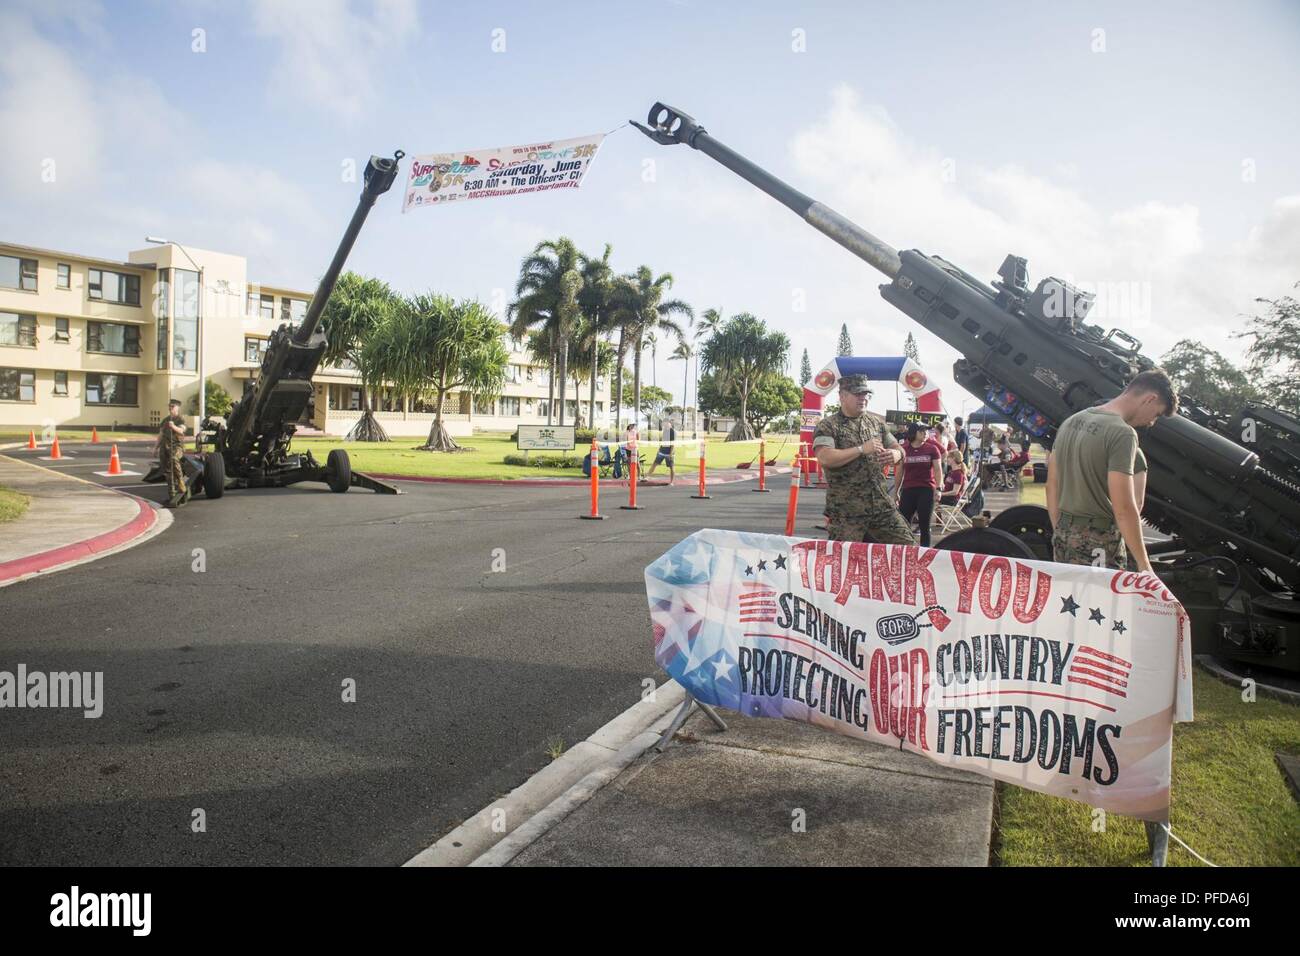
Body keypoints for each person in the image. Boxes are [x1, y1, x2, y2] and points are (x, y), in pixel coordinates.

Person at [1046, 369, 1177, 571]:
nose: (1152, 422)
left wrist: (1059, 531)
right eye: (1157, 414)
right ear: (1150, 399)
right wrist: (1144, 565)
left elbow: (1051, 486)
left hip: (1063, 534)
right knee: (1103, 601)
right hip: (1100, 540)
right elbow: (1124, 507)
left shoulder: (1071, 422)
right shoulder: (1123, 434)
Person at [811, 375, 910, 544]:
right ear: (842, 396)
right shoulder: (828, 425)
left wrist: (897, 455)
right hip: (847, 512)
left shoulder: (876, 423)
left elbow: (897, 447)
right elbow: (825, 457)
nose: (863, 398)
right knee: (844, 561)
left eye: (865, 394)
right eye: (857, 394)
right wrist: (860, 449)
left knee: (909, 550)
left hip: (881, 506)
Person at [892, 422, 944, 547]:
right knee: (904, 523)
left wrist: (938, 488)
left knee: (924, 525)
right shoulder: (903, 450)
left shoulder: (932, 449)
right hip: (909, 490)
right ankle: (906, 550)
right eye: (922, 431)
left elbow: (938, 469)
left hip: (926, 489)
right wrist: (896, 492)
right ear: (914, 432)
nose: (926, 433)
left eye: (926, 431)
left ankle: (925, 554)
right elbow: (899, 472)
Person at [156, 398, 188, 508]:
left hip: (177, 446)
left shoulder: (180, 419)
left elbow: (182, 430)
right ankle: (172, 496)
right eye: (169, 406)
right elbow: (160, 434)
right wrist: (156, 448)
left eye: (172, 406)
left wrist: (173, 426)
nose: (170, 408)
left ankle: (181, 483)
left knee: (174, 459)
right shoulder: (165, 420)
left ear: (177, 407)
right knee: (168, 471)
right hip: (165, 447)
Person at [645, 418, 676, 483]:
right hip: (661, 452)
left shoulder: (672, 431)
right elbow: (663, 442)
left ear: (669, 423)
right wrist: (659, 450)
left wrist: (670, 454)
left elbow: (673, 444)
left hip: (669, 453)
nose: (664, 424)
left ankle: (672, 482)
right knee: (654, 464)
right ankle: (647, 477)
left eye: (665, 423)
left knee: (671, 467)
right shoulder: (664, 431)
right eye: (663, 423)